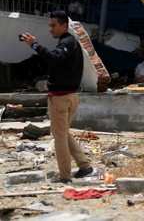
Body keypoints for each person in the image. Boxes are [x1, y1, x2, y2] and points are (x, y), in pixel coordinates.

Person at [20, 11, 93, 183]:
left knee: (59, 137)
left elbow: (54, 58)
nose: (50, 29)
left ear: (63, 25)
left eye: (53, 25)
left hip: (61, 98)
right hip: (69, 96)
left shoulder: (67, 42)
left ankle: (65, 176)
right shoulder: (70, 42)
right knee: (62, 133)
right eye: (50, 25)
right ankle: (84, 165)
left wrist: (35, 45)